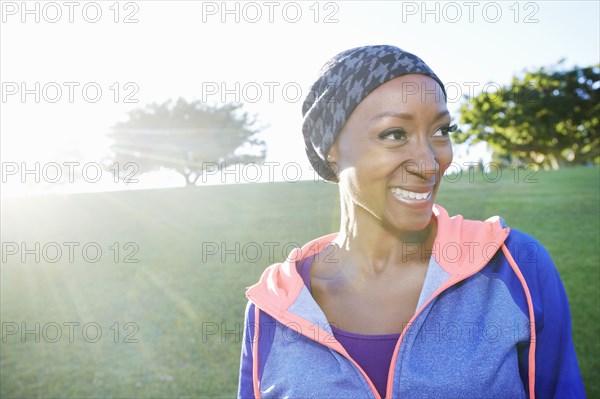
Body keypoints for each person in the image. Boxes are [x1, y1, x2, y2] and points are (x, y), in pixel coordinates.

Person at [237, 45, 584, 399]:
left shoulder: (516, 265)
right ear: (331, 148)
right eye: (394, 134)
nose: (429, 163)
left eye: (440, 130)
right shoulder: (274, 307)